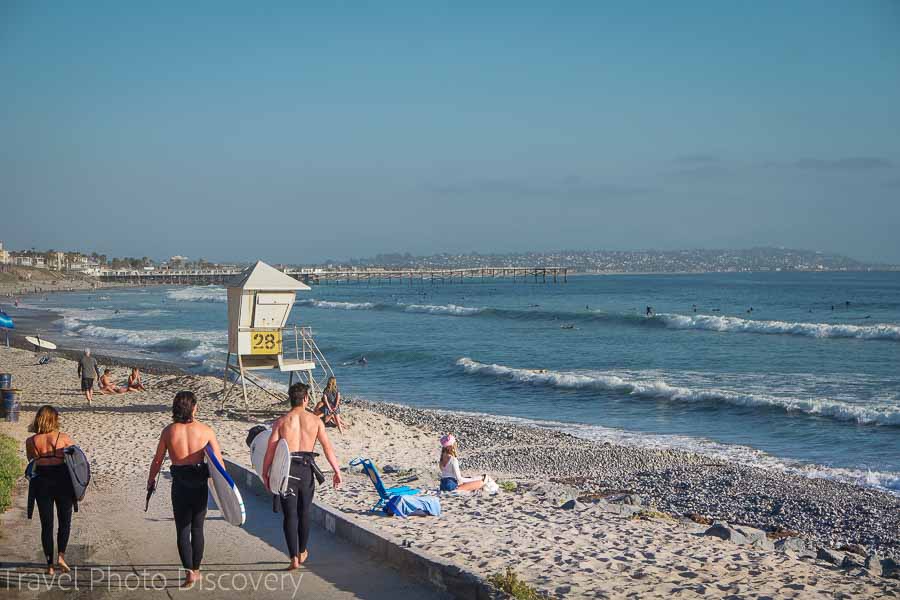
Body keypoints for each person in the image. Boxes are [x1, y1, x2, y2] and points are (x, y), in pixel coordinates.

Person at [147, 391, 223, 588]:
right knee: (198, 529)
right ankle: (197, 571)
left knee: (182, 529)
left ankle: (189, 573)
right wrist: (223, 487)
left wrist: (151, 479)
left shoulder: (169, 431)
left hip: (180, 485)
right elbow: (218, 462)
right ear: (194, 408)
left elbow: (157, 460)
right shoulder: (206, 431)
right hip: (199, 486)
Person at [263, 383, 342, 570]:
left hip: (286, 472)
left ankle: (293, 558)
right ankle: (303, 550)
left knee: (289, 515)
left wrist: (266, 474)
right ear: (306, 399)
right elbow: (327, 447)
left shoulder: (281, 422)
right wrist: (337, 471)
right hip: (306, 471)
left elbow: (270, 451)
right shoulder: (316, 422)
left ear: (291, 399)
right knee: (304, 512)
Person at [25, 406, 76, 575]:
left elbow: (31, 460)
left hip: (41, 483)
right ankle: (61, 556)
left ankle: (49, 565)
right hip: (62, 482)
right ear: (54, 420)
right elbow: (76, 463)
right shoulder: (64, 438)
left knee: (46, 525)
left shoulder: (31, 441)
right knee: (64, 522)